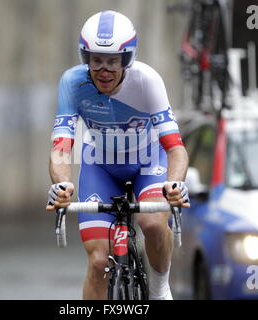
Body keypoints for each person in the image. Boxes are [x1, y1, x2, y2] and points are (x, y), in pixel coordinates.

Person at [46, 10, 190, 300]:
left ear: (128, 59)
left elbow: (175, 149)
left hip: (148, 163)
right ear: (85, 58)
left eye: (113, 61)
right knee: (99, 261)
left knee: (151, 223)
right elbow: (62, 147)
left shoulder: (147, 81)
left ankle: (160, 288)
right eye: (96, 60)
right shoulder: (72, 83)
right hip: (100, 166)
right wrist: (62, 185)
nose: (104, 70)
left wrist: (174, 185)